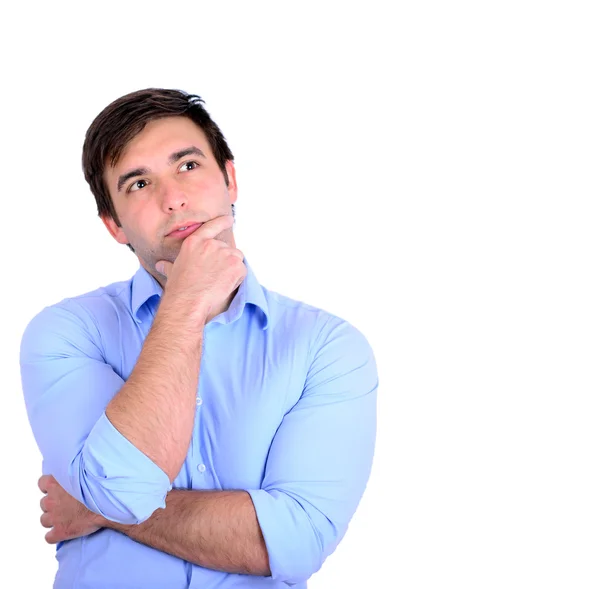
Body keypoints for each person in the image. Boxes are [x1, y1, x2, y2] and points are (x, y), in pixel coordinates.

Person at [19, 88, 378, 588]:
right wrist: (186, 304)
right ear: (113, 225)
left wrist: (100, 510)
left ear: (230, 179)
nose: (174, 198)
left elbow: (297, 538)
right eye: (139, 183)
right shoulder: (67, 333)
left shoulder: (327, 347)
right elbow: (121, 490)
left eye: (187, 166)